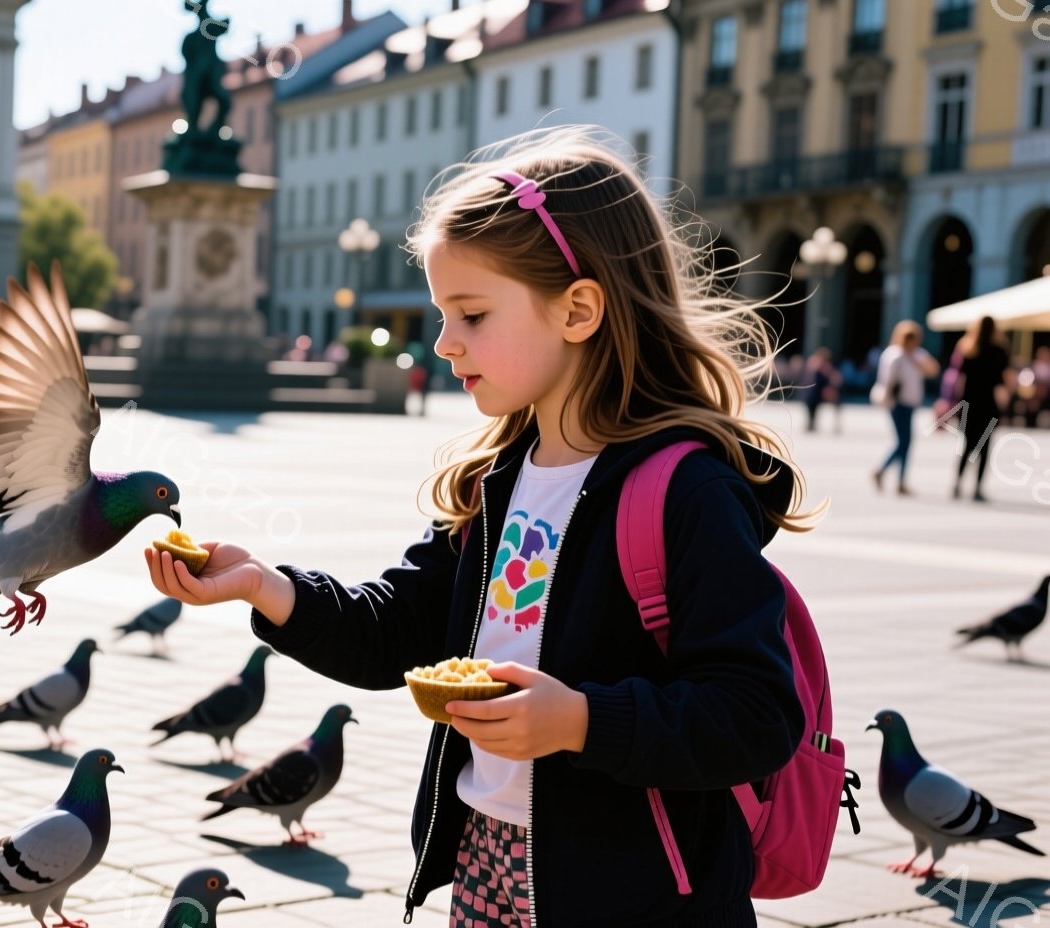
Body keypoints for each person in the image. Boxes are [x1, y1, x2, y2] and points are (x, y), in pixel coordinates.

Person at [144, 130, 813, 927]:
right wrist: (266, 586)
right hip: (488, 865)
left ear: (579, 309)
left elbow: (757, 715)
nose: (443, 342)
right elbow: (396, 631)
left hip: (638, 895)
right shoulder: (494, 483)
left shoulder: (685, 490)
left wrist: (580, 720)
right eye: (441, 312)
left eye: (471, 313)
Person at [870, 321, 939, 495]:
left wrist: (916, 361)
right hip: (897, 403)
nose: (912, 342)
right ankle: (888, 473)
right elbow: (886, 380)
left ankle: (895, 478)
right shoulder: (893, 354)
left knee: (905, 442)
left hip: (911, 402)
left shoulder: (918, 354)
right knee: (904, 441)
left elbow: (933, 370)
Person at [952, 315, 1013, 502]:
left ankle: (957, 483)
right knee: (984, 447)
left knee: (967, 445)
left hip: (969, 403)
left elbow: (958, 379)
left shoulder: (968, 348)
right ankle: (977, 487)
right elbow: (1004, 381)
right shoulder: (998, 350)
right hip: (988, 404)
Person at [801, 348, 838, 434]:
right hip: (813, 391)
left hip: (817, 391)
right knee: (810, 409)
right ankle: (810, 424)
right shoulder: (815, 363)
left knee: (813, 409)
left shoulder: (824, 366)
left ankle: (812, 425)